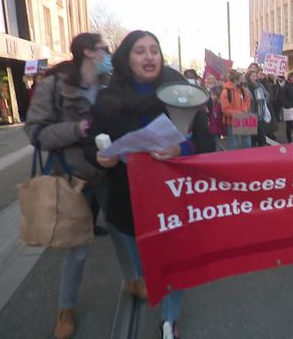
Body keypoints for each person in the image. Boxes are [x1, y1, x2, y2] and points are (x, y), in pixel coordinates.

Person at [90, 30, 215, 339]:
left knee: (174, 267)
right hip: (129, 203)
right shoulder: (108, 99)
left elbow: (206, 142)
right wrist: (100, 158)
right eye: (140, 51)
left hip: (175, 200)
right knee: (148, 268)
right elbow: (88, 144)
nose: (149, 56)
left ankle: (170, 321)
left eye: (154, 50)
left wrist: (181, 150)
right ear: (126, 58)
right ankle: (153, 287)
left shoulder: (182, 93)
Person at [24, 33, 112, 339]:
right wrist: (77, 129)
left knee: (126, 233)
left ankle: (136, 280)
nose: (109, 54)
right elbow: (35, 133)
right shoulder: (53, 85)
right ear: (89, 52)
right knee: (78, 249)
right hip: (74, 177)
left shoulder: (109, 85)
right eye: (105, 50)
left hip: (110, 172)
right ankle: (66, 310)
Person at [220, 70, 252, 150]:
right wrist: (238, 113)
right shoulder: (225, 91)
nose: (243, 81)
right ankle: (233, 160)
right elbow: (225, 109)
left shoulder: (243, 90)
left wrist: (244, 109)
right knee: (233, 144)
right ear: (235, 80)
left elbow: (247, 101)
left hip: (244, 118)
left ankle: (248, 158)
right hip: (231, 121)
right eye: (241, 79)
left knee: (247, 142)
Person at [245, 69, 271, 147]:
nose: (254, 78)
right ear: (248, 77)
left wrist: (263, 102)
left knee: (261, 137)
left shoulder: (259, 85)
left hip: (259, 114)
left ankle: (261, 154)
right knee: (251, 137)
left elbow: (267, 95)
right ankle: (252, 155)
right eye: (253, 76)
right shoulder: (244, 86)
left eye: (256, 76)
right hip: (248, 114)